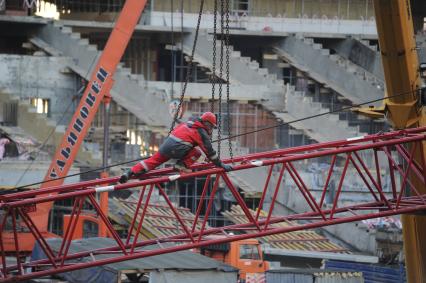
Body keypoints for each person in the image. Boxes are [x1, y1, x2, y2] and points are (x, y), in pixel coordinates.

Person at [119, 112, 233, 184]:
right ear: (207, 123)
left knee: (151, 161)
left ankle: (129, 172)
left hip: (166, 146)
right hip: (178, 149)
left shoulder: (188, 124)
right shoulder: (201, 132)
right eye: (211, 126)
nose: (211, 129)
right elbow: (210, 153)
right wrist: (221, 165)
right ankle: (180, 165)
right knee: (197, 153)